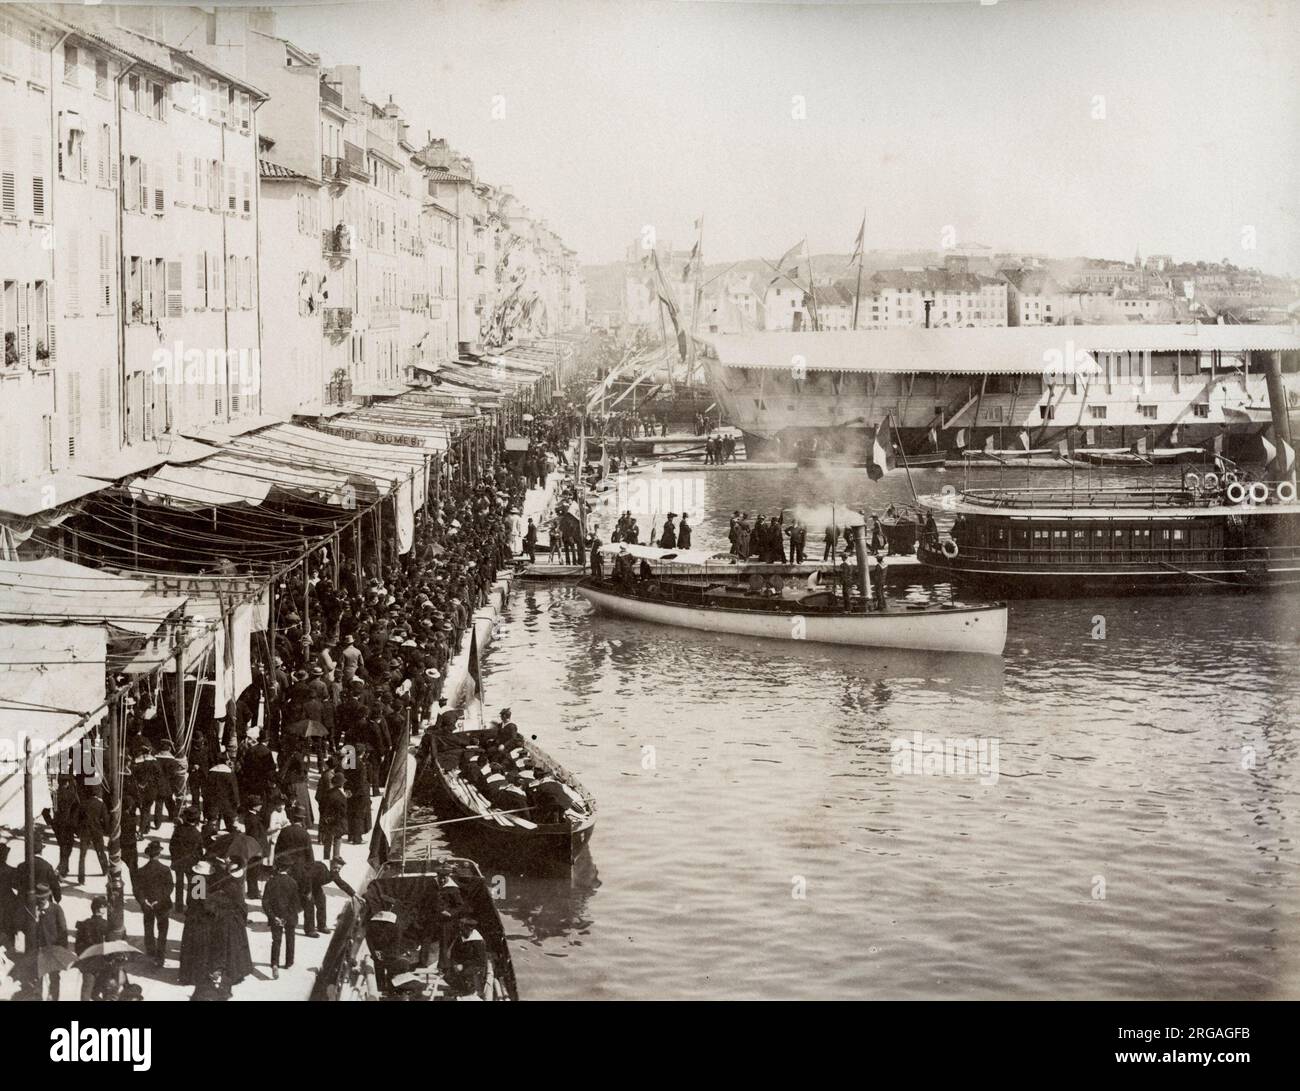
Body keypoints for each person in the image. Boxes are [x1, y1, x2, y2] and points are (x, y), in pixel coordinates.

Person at [133, 840, 173, 967]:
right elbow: (169, 887)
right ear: (159, 854)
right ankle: (160, 955)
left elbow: (137, 889)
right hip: (162, 904)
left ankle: (150, 951)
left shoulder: (141, 871)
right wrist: (159, 900)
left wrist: (144, 901)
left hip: (147, 905)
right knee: (162, 930)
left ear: (148, 855)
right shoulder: (165, 870)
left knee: (148, 928)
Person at [261, 859, 301, 978]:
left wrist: (273, 917)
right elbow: (296, 904)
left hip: (275, 916)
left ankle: (274, 964)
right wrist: (287, 917)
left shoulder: (271, 882)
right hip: (289, 917)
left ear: (277, 868)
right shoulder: (293, 882)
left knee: (276, 941)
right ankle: (289, 962)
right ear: (288, 869)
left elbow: (265, 902)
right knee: (290, 939)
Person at [31, 882, 69, 1001]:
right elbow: (29, 932)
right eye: (39, 899)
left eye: (44, 898)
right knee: (37, 980)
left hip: (53, 950)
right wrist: (35, 919)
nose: (41, 901)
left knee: (54, 979)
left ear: (48, 897)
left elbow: (63, 930)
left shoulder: (56, 909)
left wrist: (62, 950)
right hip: (39, 951)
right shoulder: (33, 910)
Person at [73, 896, 112, 1000]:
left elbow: (77, 947)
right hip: (103, 963)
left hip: (88, 963)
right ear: (99, 909)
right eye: (104, 907)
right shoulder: (106, 925)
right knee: (104, 990)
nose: (105, 909)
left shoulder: (84, 924)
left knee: (86, 991)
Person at [170, 807, 202, 914]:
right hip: (191, 863)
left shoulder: (178, 829)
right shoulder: (197, 834)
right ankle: (190, 905)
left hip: (178, 861)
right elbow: (199, 851)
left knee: (179, 884)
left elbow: (172, 846)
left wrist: (175, 858)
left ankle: (178, 907)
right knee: (191, 884)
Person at [75, 786, 109, 886]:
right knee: (100, 852)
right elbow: (106, 820)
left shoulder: (83, 804)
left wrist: (78, 831)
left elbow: (77, 819)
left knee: (82, 856)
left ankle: (81, 878)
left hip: (85, 831)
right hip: (97, 831)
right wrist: (105, 830)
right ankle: (105, 870)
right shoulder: (101, 804)